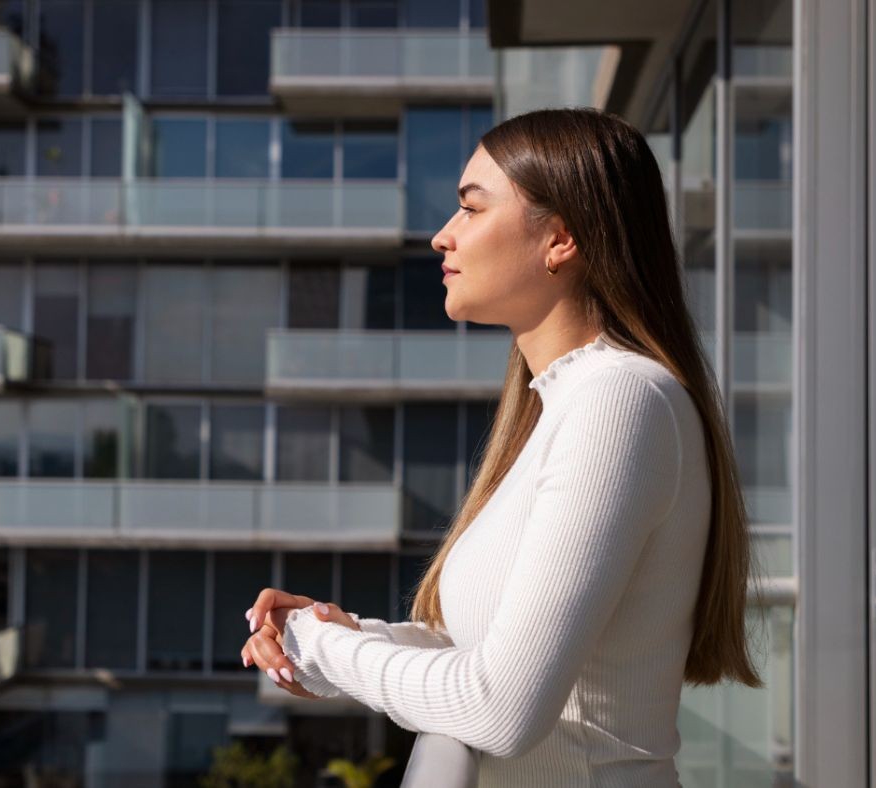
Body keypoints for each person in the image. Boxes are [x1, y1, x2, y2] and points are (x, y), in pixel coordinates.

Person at [240, 107, 764, 787]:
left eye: (472, 209)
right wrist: (348, 635)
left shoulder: (619, 402)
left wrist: (324, 646)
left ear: (561, 239)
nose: (441, 237)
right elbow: (487, 654)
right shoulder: (565, 405)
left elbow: (501, 708)